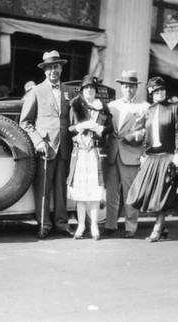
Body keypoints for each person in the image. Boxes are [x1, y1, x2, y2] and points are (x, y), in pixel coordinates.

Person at [20, 50, 75, 239]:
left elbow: (76, 118)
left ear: (61, 68)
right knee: (43, 188)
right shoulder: (36, 91)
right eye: (49, 68)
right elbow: (25, 122)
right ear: (44, 71)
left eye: (56, 67)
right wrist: (38, 141)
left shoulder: (70, 91)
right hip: (45, 147)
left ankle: (62, 224)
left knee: (61, 187)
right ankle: (44, 224)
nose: (53, 71)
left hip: (65, 147)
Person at [127, 77, 178, 242]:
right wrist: (144, 153)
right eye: (157, 90)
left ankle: (157, 228)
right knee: (140, 192)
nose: (160, 93)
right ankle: (163, 226)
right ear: (151, 93)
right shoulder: (149, 110)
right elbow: (145, 134)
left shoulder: (174, 109)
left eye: (162, 90)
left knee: (161, 195)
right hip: (152, 157)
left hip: (168, 157)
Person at [104, 70, 149, 238]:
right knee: (111, 192)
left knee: (130, 192)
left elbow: (148, 130)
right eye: (125, 86)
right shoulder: (112, 106)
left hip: (131, 153)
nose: (128, 90)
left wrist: (136, 135)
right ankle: (110, 224)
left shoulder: (144, 107)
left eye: (131, 87)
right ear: (121, 87)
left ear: (136, 88)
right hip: (113, 152)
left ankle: (131, 227)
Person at [67, 75, 112, 240]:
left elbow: (110, 129)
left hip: (95, 153)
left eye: (92, 88)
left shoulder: (103, 108)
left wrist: (99, 128)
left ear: (96, 91)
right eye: (86, 88)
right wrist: (79, 127)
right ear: (82, 90)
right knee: (80, 194)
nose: (89, 91)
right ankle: (80, 225)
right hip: (80, 153)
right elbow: (69, 128)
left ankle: (93, 225)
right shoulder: (75, 106)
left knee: (94, 192)